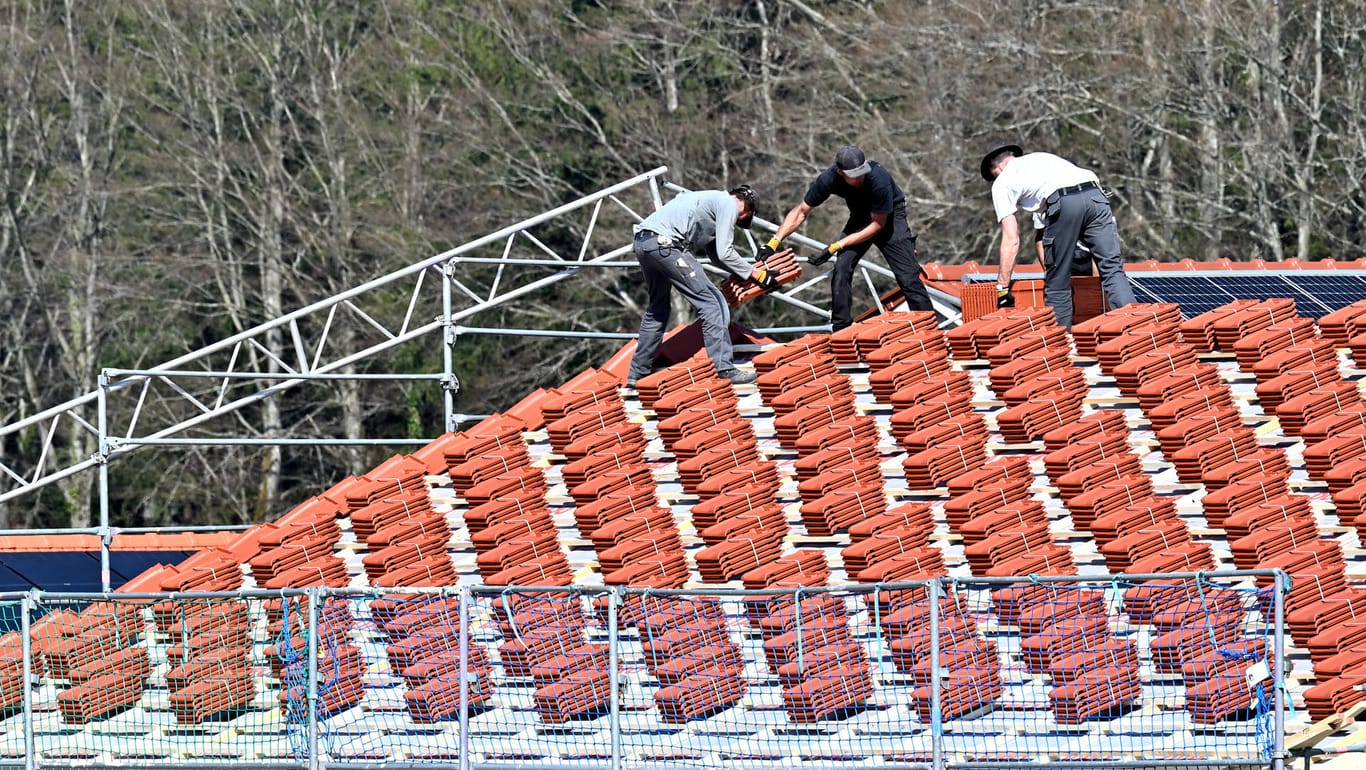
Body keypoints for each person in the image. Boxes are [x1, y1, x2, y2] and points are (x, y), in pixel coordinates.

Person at [761, 145, 934, 332]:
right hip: (860, 218)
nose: (860, 178)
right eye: (854, 175)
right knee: (842, 268)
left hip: (890, 218)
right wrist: (774, 242)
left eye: (862, 172)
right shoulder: (828, 179)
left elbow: (878, 225)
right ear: (839, 172)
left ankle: (928, 329)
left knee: (907, 276)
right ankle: (841, 328)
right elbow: (801, 212)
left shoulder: (879, 179)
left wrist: (838, 244)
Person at [627, 185, 778, 387]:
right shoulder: (729, 204)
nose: (738, 221)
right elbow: (725, 252)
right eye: (743, 218)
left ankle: (637, 373)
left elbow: (717, 257)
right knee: (712, 303)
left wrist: (748, 276)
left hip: (644, 243)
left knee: (658, 308)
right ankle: (724, 369)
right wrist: (758, 274)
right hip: (666, 245)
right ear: (746, 210)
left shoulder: (708, 201)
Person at [980, 141, 1136, 328]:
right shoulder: (1041, 157)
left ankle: (1060, 344)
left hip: (1065, 202)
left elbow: (1011, 239)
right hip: (1096, 194)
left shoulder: (1001, 183)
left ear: (994, 167)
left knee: (1057, 280)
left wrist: (1002, 288)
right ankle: (1133, 327)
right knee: (1112, 270)